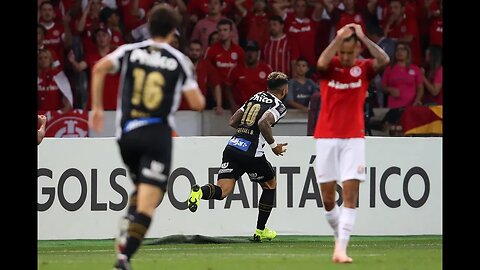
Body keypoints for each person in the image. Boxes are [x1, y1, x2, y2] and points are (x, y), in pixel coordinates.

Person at [89, 5, 206, 270]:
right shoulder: (179, 60)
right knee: (150, 202)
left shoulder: (130, 51)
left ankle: (129, 221)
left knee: (141, 188)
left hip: (127, 135)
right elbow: (198, 102)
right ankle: (124, 256)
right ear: (173, 31)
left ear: (149, 27)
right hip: (156, 134)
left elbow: (98, 68)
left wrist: (96, 108)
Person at [314, 23, 389, 263]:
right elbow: (320, 63)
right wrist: (338, 38)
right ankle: (339, 236)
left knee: (350, 195)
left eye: (350, 52)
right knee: (327, 200)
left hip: (354, 138)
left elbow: (384, 59)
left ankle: (341, 249)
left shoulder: (364, 68)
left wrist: (363, 37)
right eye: (342, 53)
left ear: (357, 50)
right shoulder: (330, 66)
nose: (345, 58)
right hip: (326, 137)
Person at [187, 71, 289, 242]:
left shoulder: (255, 97)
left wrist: (245, 133)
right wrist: (273, 146)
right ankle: (260, 231)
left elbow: (233, 121)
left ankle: (199, 192)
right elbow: (264, 122)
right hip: (251, 152)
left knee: (222, 191)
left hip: (233, 146)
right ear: (284, 90)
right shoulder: (279, 106)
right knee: (270, 185)